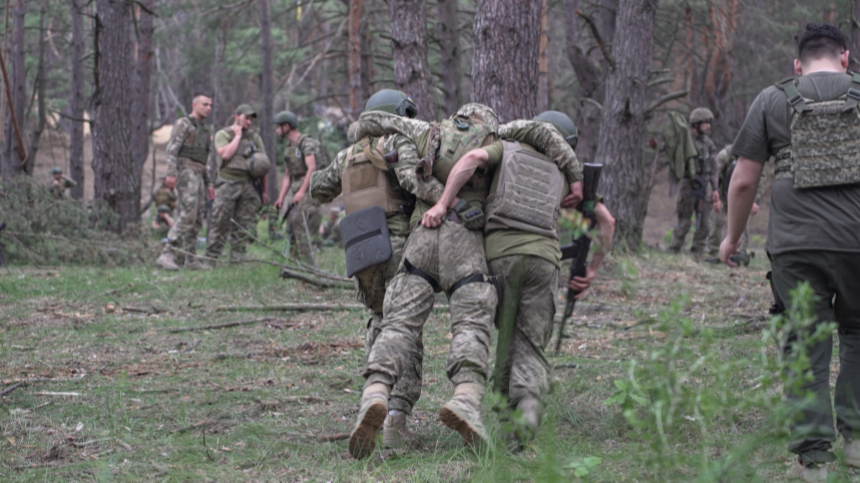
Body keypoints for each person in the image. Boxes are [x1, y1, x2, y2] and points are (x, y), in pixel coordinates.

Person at [348, 103, 583, 459]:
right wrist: (575, 174)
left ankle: (376, 392)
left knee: (398, 324)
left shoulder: (425, 132)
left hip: (422, 237)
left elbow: (368, 121)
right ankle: (466, 399)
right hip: (466, 241)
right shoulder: (501, 139)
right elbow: (539, 134)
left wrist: (436, 197)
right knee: (472, 324)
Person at [720, 23, 860, 482]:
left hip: (795, 247)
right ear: (845, 58)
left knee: (805, 347)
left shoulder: (772, 99)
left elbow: (743, 181)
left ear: (797, 65)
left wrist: (732, 238)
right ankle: (856, 441)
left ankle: (814, 462)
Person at [420, 110, 596, 446]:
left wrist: (444, 203)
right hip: (544, 259)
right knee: (530, 341)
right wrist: (592, 268)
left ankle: (503, 413)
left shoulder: (506, 148)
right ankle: (526, 412)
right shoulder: (564, 170)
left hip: (500, 256)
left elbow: (472, 157)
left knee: (506, 337)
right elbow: (607, 221)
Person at [311, 90, 430, 450]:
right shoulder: (396, 145)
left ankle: (372, 400)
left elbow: (318, 189)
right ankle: (396, 419)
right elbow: (416, 183)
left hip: (361, 250)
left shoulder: (348, 154)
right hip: (396, 246)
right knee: (403, 329)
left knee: (379, 321)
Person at [155, 93, 215, 270]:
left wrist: (209, 183)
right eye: (205, 104)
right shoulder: (184, 124)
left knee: (196, 218)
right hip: (185, 172)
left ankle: (191, 260)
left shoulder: (203, 130)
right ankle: (167, 253)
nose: (208, 108)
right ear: (194, 105)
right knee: (188, 214)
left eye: (210, 105)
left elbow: (204, 161)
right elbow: (172, 150)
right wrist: (171, 174)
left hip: (198, 174)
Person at [205, 104, 269, 265]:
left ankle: (237, 259)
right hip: (227, 183)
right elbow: (226, 155)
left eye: (251, 119)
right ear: (236, 116)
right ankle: (210, 259)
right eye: (246, 118)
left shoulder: (255, 138)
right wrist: (238, 136)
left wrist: (264, 192)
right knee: (220, 222)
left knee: (243, 224)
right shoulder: (223, 134)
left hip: (248, 185)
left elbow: (263, 165)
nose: (249, 122)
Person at [273, 111, 328, 266]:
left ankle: (310, 267)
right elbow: (287, 175)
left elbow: (312, 168)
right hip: (298, 191)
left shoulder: (307, 143)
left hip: (311, 189)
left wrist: (302, 191)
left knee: (300, 224)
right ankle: (295, 264)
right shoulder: (290, 148)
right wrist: (281, 197)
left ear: (287, 126)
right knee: (292, 226)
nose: (276, 130)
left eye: (278, 127)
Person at [668, 108, 721, 258]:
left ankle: (697, 253)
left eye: (709, 123)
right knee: (684, 222)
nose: (708, 126)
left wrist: (715, 188)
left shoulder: (709, 144)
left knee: (704, 224)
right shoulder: (684, 140)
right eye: (705, 123)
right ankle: (674, 251)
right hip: (688, 186)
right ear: (696, 124)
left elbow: (714, 168)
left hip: (705, 186)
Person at [705, 144, 765, 264]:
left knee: (742, 224)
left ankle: (740, 253)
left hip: (742, 195)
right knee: (717, 221)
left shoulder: (753, 155)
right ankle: (714, 252)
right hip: (722, 193)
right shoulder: (725, 155)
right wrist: (715, 199)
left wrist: (756, 200)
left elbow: (760, 178)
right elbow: (713, 175)